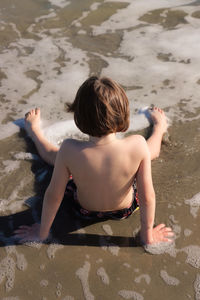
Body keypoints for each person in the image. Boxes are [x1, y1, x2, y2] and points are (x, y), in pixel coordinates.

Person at [14, 76, 174, 245]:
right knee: (148, 152)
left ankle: (35, 132)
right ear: (123, 114)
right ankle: (159, 128)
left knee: (55, 156)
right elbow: (147, 196)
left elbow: (54, 195)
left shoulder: (69, 149)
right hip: (126, 210)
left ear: (79, 118)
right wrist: (147, 237)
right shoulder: (137, 145)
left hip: (83, 211)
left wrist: (42, 233)